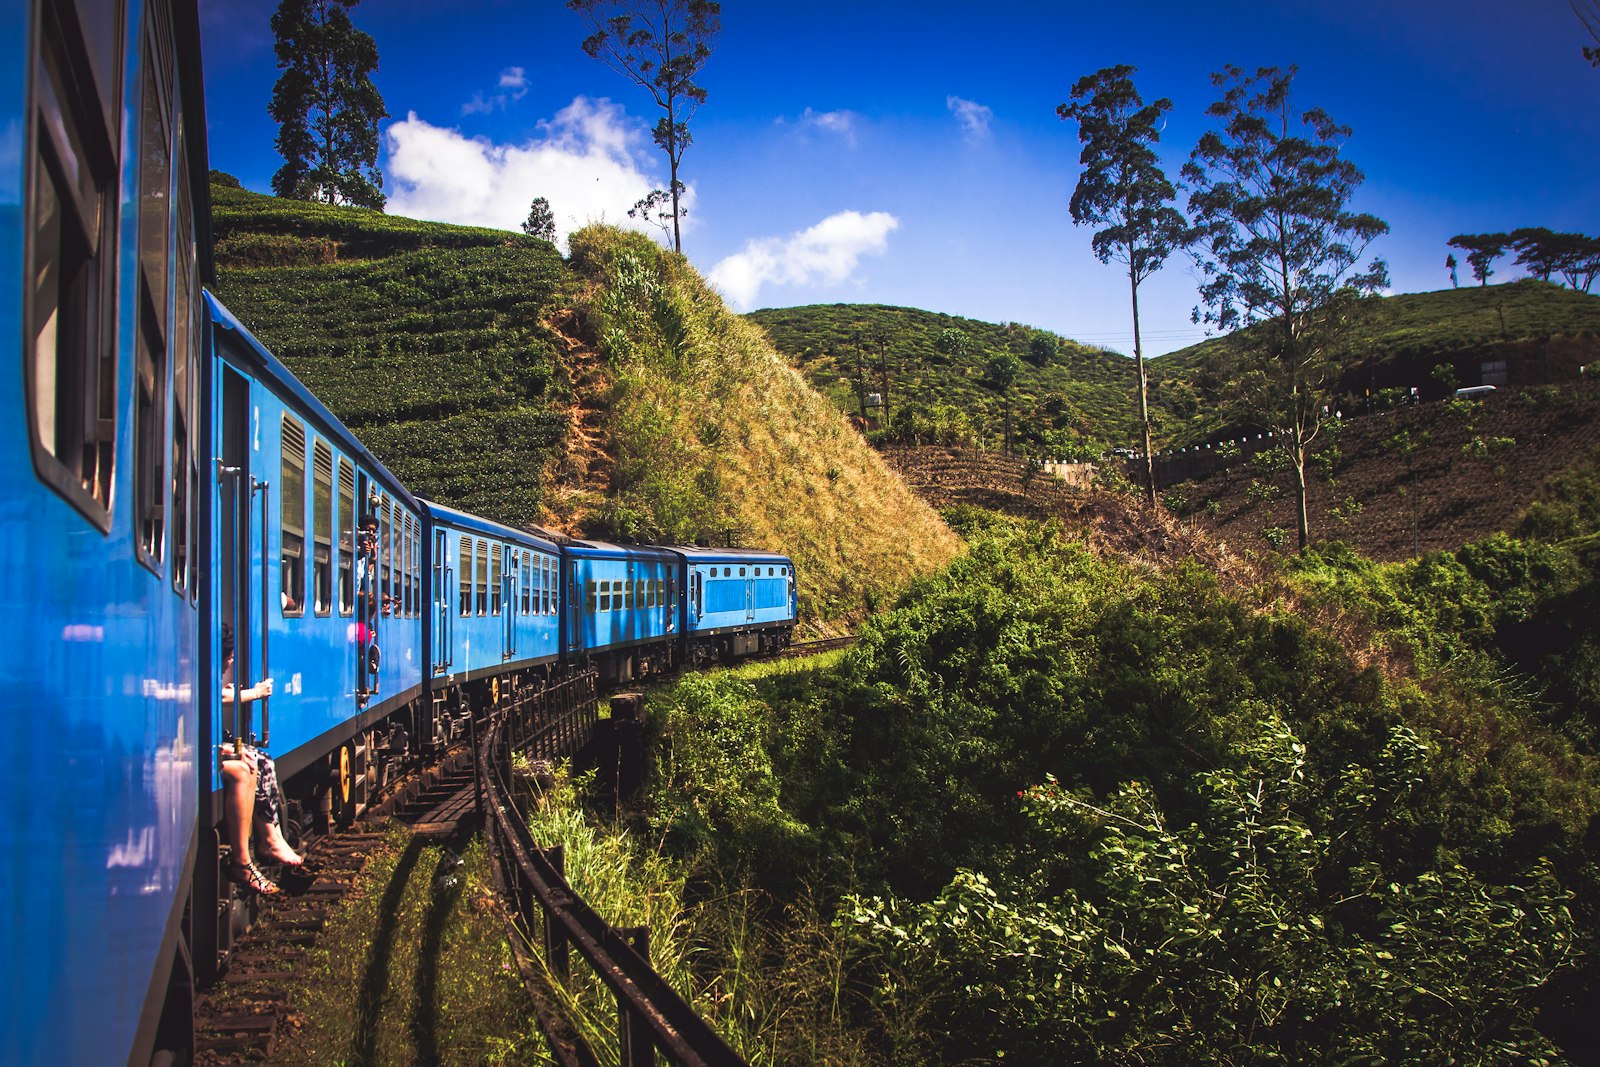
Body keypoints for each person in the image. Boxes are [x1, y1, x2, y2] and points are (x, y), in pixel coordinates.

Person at [219, 625, 302, 895]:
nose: (231, 660)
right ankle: (255, 851)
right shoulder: (204, 667)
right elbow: (218, 696)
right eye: (229, 655)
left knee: (264, 762)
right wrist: (256, 692)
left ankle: (272, 836)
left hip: (214, 746)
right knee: (251, 766)